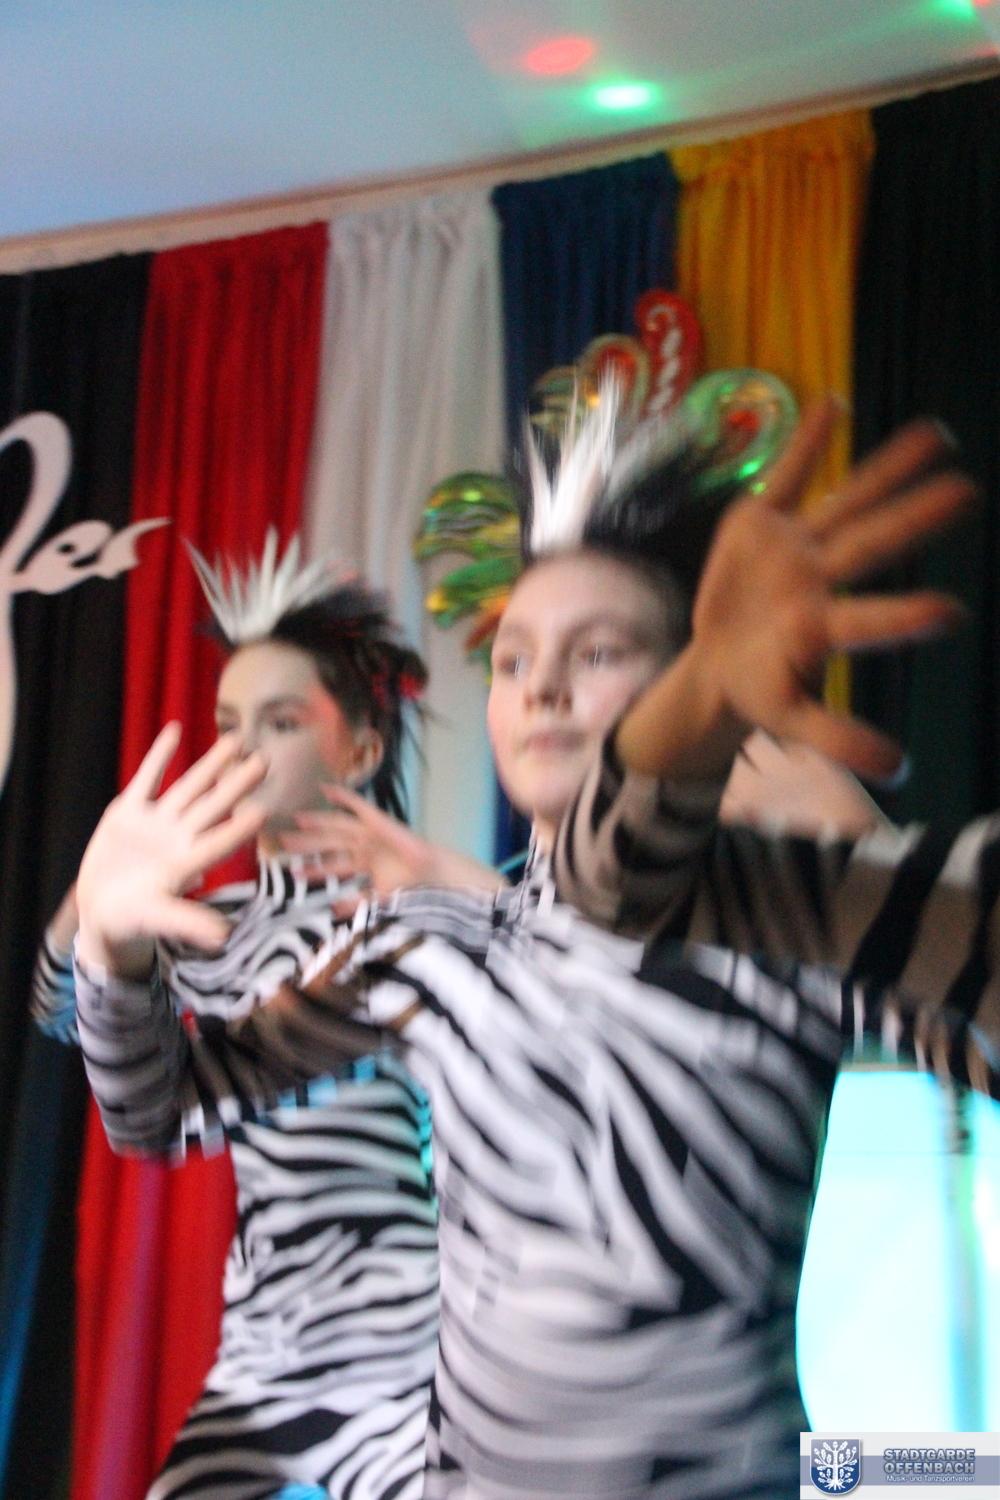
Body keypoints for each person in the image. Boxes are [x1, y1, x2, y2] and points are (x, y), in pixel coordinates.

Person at [73, 393, 995, 1500]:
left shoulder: (788, 914)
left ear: (697, 681)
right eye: (511, 662)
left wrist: (859, 844)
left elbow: (967, 1035)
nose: (543, 686)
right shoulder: (426, 945)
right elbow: (158, 1111)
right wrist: (112, 954)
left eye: (597, 651)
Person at [35, 534, 502, 1500]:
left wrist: (460, 892)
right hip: (262, 1359)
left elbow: (571, 976)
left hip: (409, 1352)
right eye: (226, 722)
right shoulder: (204, 927)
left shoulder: (411, 910)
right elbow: (55, 1008)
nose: (241, 748)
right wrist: (96, 898)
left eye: (280, 722)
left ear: (361, 750)